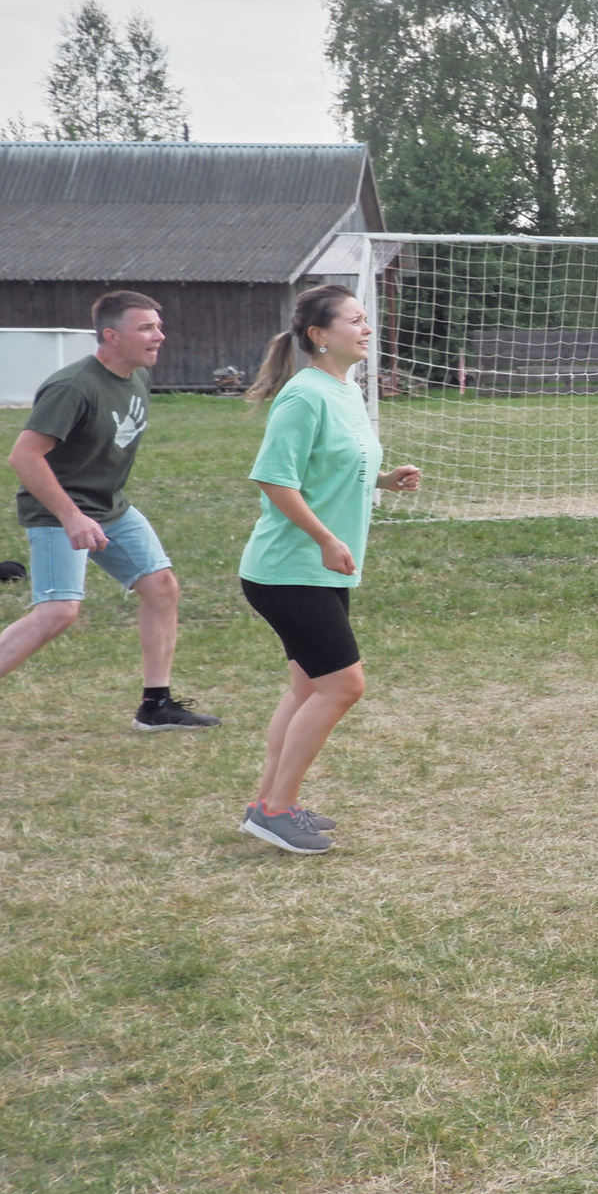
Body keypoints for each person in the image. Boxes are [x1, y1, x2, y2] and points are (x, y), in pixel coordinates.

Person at [236, 285, 423, 854]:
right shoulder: (305, 395)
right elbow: (275, 478)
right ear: (319, 335)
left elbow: (330, 468)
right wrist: (322, 538)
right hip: (289, 568)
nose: (367, 329)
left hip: (318, 569)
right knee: (343, 686)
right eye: (355, 321)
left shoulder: (344, 390)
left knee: (305, 688)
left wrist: (384, 481)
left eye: (367, 320)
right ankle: (273, 812)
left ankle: (271, 802)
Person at [0, 290, 211, 731]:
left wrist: (94, 510)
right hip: (60, 510)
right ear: (112, 336)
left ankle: (156, 706)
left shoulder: (136, 377)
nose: (160, 335)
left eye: (158, 326)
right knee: (58, 612)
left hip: (109, 508)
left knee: (161, 587)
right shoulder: (73, 386)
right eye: (147, 328)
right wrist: (71, 516)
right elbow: (23, 457)